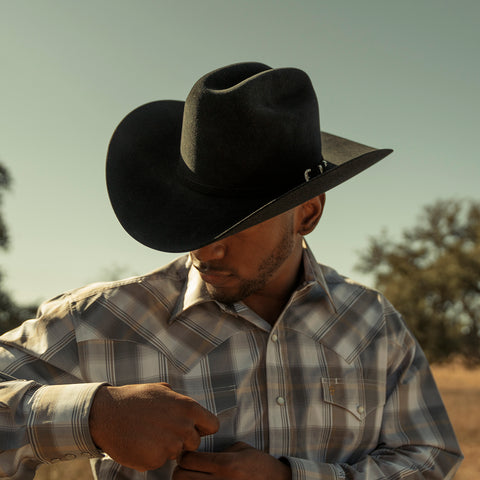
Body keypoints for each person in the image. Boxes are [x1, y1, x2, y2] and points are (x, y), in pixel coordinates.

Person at [0, 62, 462, 480]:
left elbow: (427, 457)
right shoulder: (100, 320)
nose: (206, 246)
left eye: (237, 223)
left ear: (308, 215)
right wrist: (91, 415)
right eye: (195, 215)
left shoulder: (373, 323)